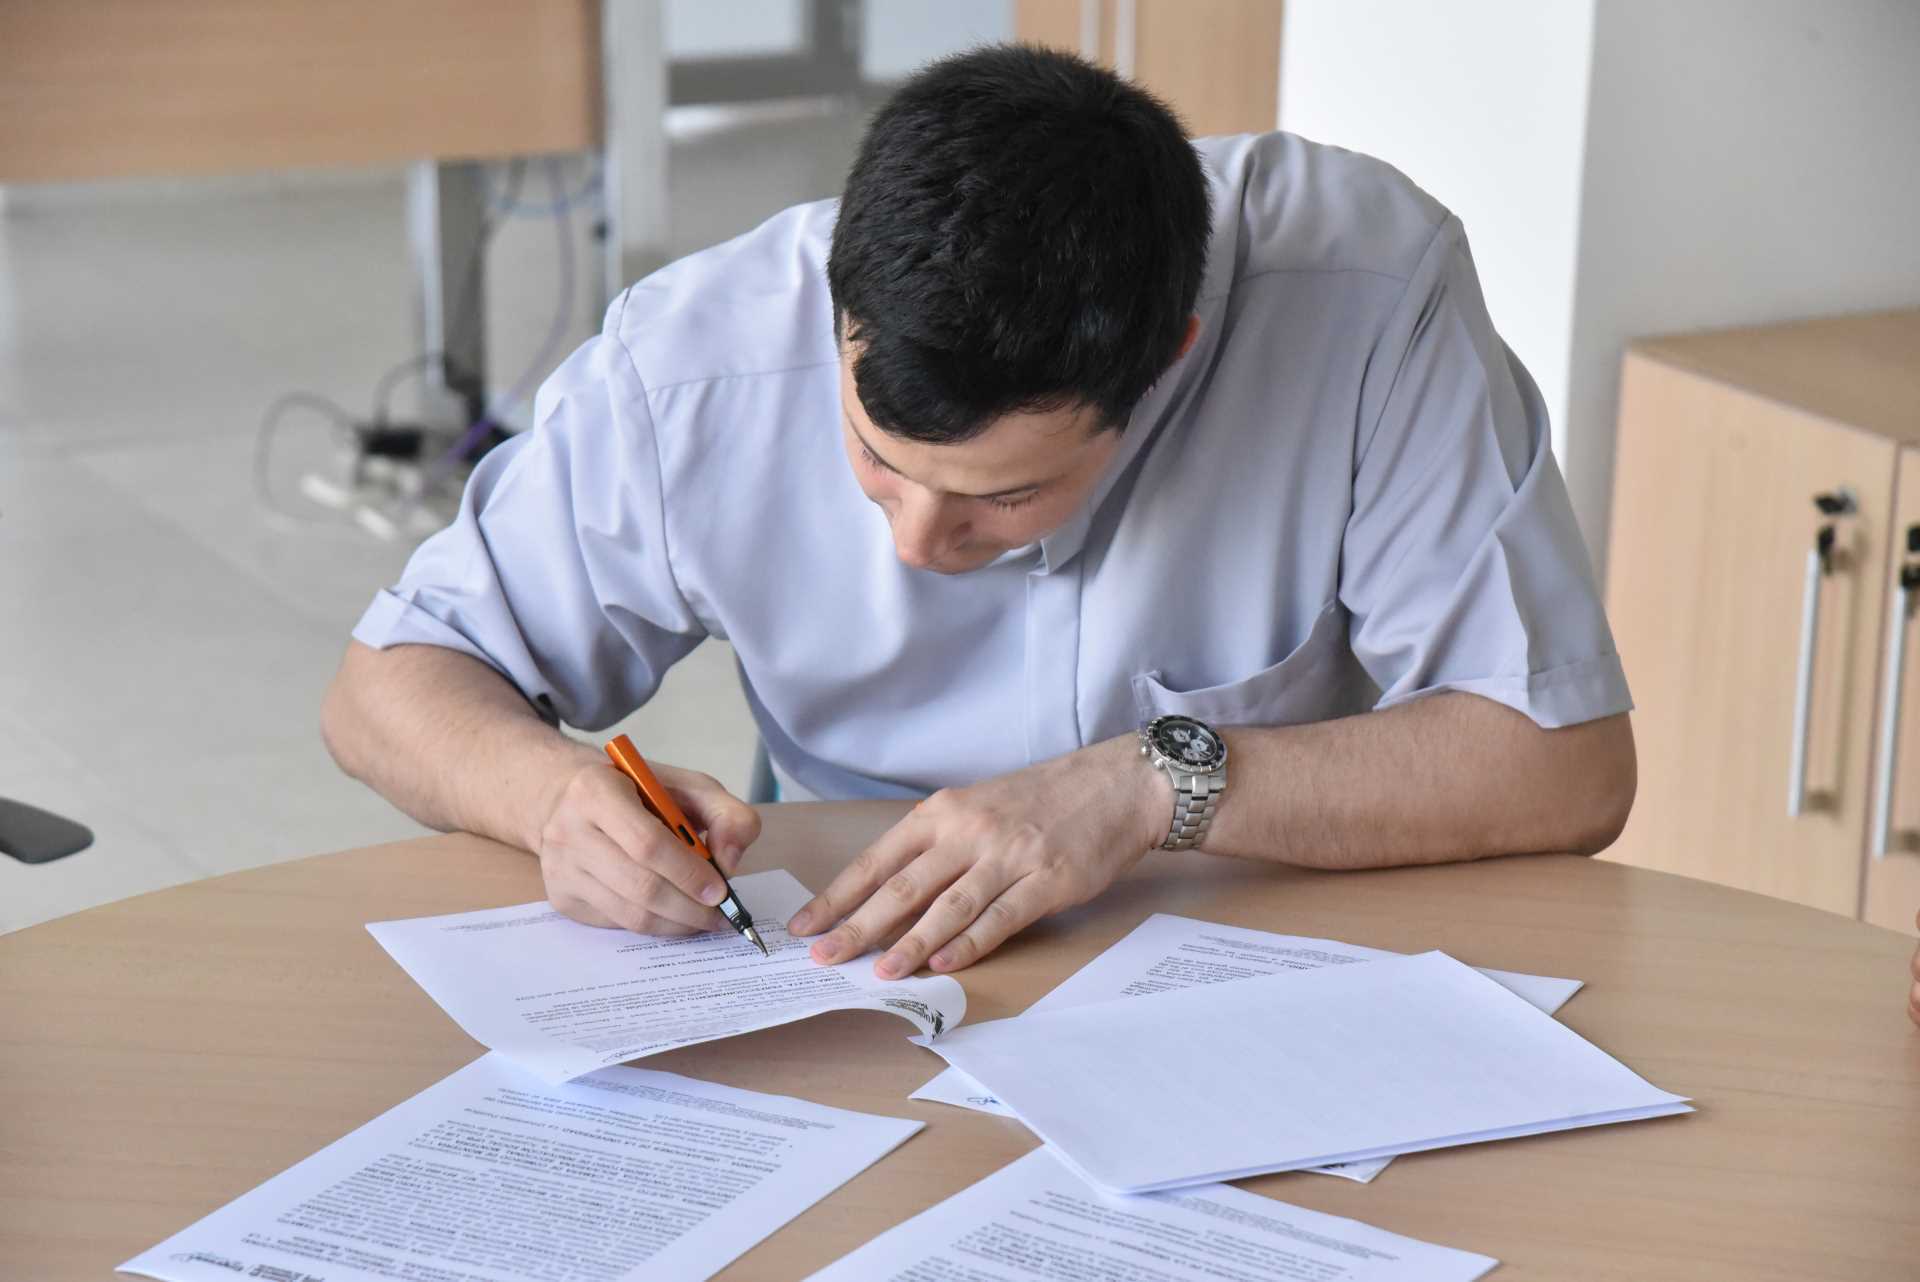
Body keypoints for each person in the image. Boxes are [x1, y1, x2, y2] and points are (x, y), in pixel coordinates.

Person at [322, 44, 1636, 980]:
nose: (914, 544)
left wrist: (1154, 783)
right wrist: (555, 798)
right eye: (875, 459)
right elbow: (386, 685)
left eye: (1004, 495)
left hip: (1259, 944)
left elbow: (1563, 760)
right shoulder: (695, 362)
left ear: (1166, 362)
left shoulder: (1366, 296)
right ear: (838, 305)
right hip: (860, 967)